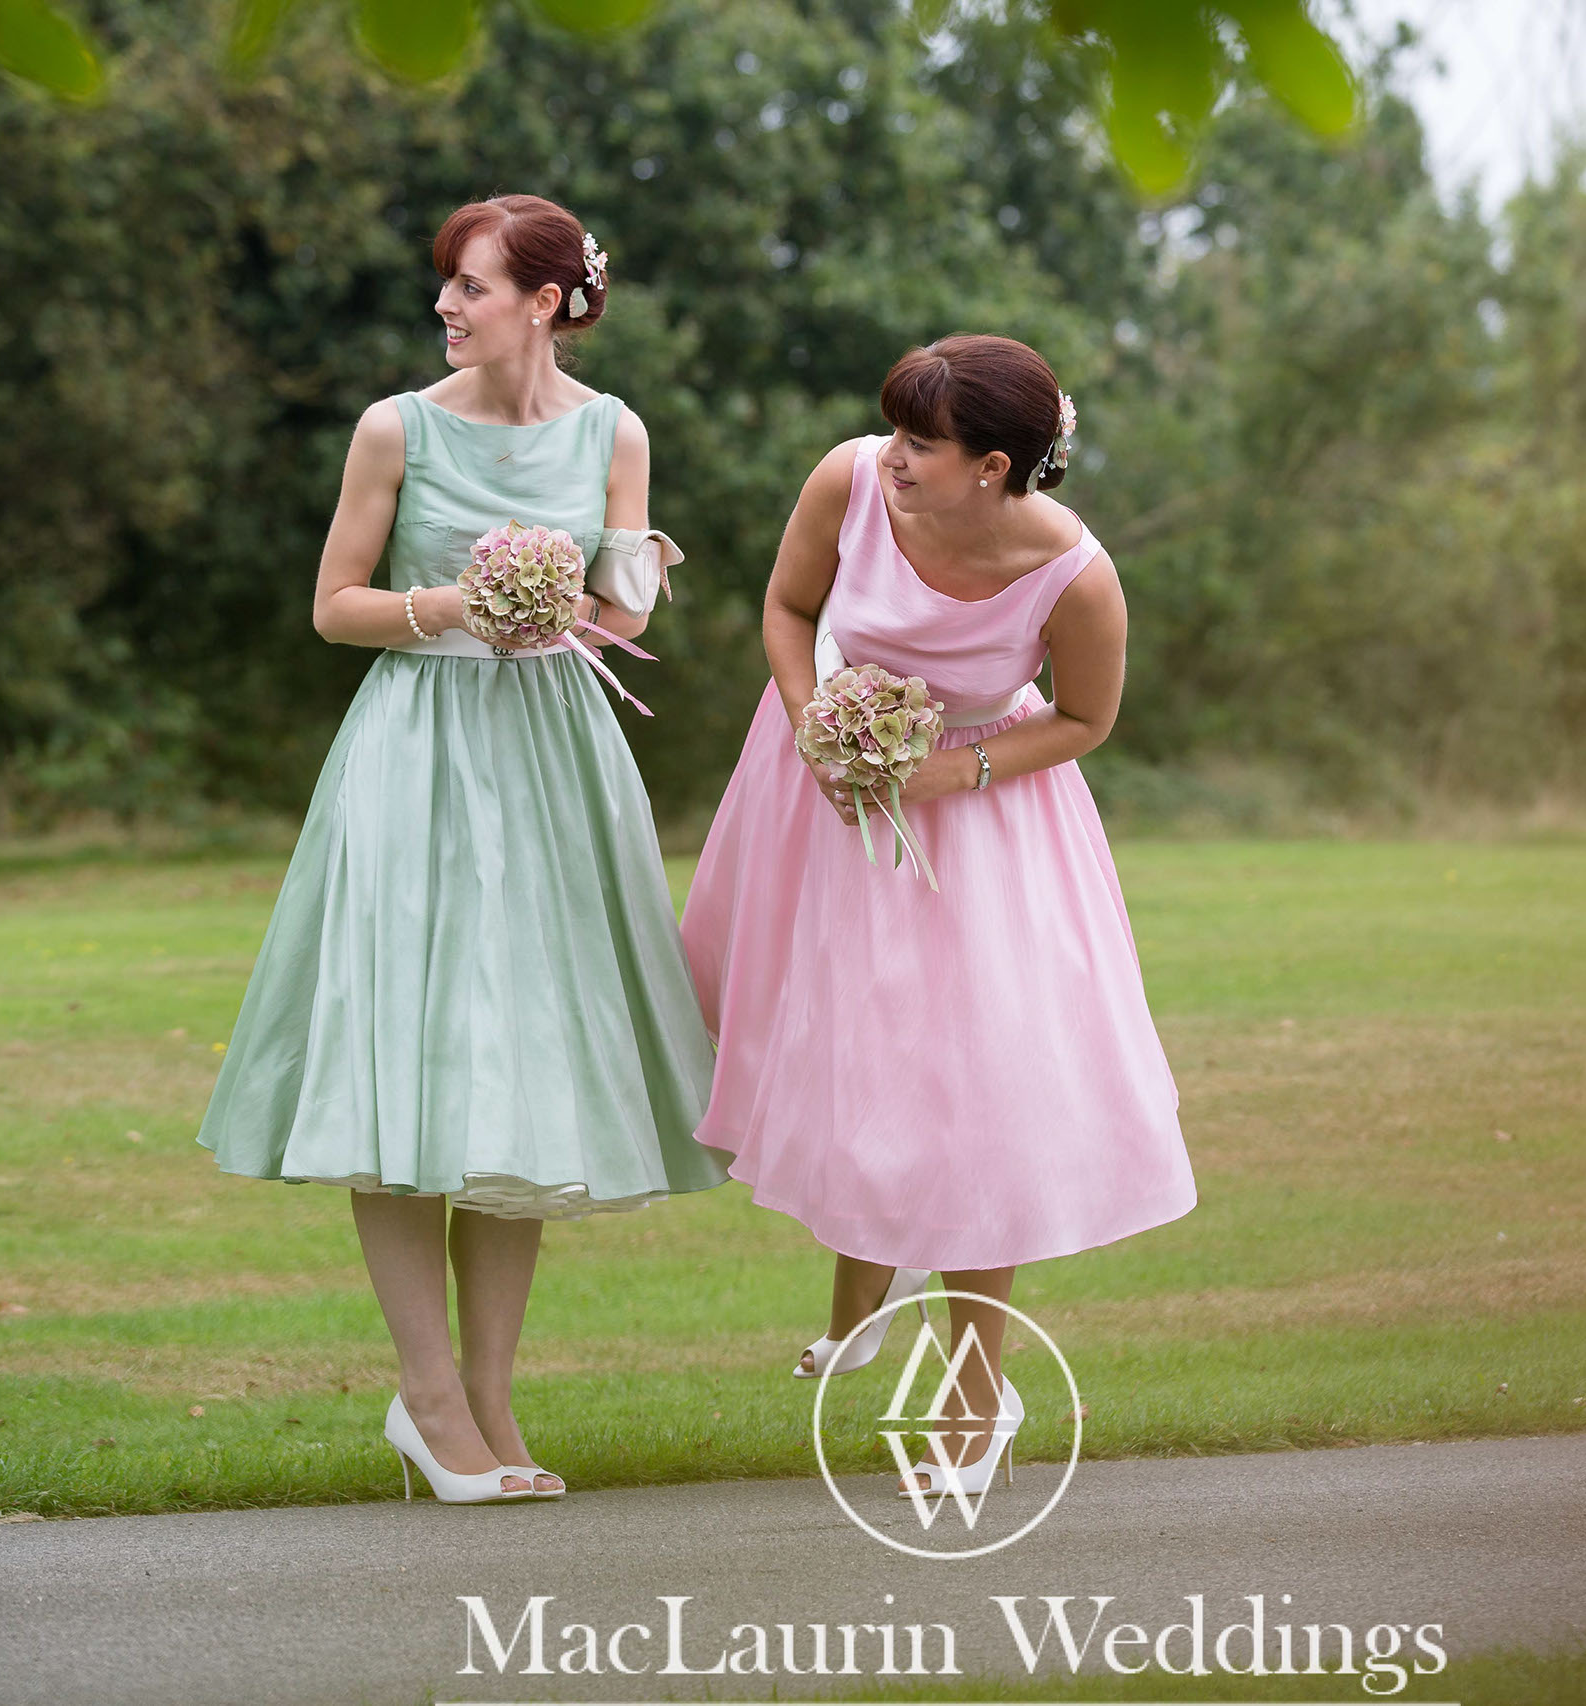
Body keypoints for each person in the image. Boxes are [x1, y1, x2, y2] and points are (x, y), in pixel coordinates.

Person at [197, 195, 725, 1504]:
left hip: (552, 762)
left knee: (518, 1069)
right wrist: (457, 604)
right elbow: (335, 606)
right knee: (407, 1066)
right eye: (447, 285)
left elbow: (615, 613)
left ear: (546, 301)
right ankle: (427, 1399)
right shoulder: (398, 426)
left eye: (472, 285)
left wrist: (622, 575)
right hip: (420, 754)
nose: (447, 304)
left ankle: (490, 1400)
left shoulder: (615, 430)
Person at [680, 334, 1196, 1498]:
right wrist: (820, 723)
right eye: (897, 433)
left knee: (977, 1102)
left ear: (995, 466)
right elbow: (786, 605)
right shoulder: (849, 480)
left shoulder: (1076, 574)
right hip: (821, 800)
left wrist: (943, 774)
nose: (894, 457)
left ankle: (977, 1398)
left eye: (922, 442)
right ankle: (858, 1294)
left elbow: (1083, 719)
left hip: (983, 820)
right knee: (845, 1064)